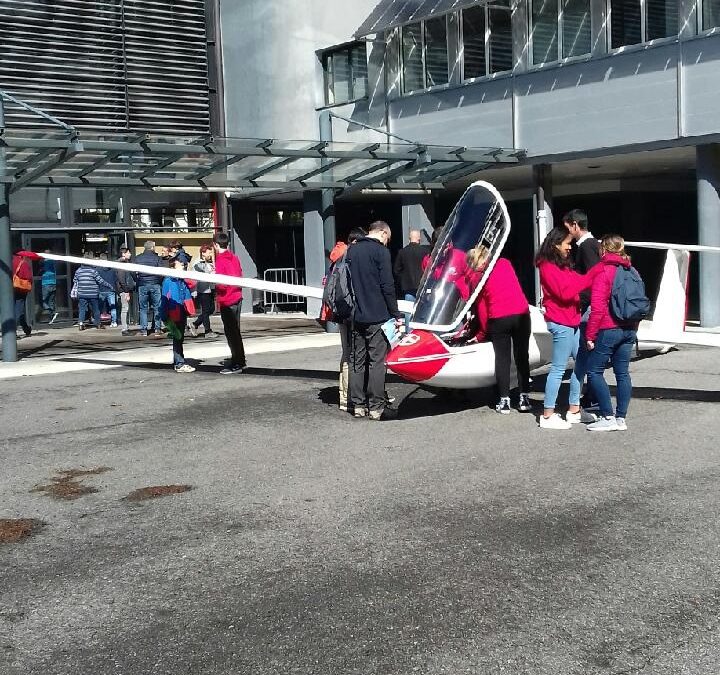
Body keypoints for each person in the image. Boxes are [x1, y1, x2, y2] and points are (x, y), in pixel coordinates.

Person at [536, 227, 600, 430]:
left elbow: (577, 281)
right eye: (567, 244)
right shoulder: (546, 266)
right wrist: (593, 274)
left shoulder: (562, 265)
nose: (570, 247)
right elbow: (565, 292)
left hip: (572, 319)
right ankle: (547, 414)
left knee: (580, 363)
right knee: (558, 368)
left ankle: (574, 410)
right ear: (555, 244)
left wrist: (594, 272)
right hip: (561, 322)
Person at [345, 220, 403, 420]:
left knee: (357, 360)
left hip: (356, 314)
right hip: (377, 314)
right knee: (377, 362)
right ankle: (376, 407)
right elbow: (388, 286)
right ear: (383, 233)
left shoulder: (352, 251)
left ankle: (358, 405)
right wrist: (395, 313)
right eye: (388, 238)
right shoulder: (381, 252)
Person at [465, 246, 532, 414]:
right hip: (521, 313)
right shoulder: (504, 263)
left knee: (502, 360)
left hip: (499, 318)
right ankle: (524, 398)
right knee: (522, 356)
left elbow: (482, 310)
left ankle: (504, 401)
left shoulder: (478, 278)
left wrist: (480, 335)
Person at [585, 235, 640, 432]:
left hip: (609, 328)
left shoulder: (604, 272)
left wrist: (590, 336)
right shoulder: (632, 270)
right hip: (629, 328)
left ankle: (607, 415)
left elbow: (597, 308)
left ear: (604, 250)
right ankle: (620, 418)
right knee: (622, 373)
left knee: (594, 371)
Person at [564, 209, 602, 409]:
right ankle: (592, 394)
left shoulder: (586, 247)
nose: (568, 234)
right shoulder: (594, 245)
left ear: (575, 225)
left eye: (568, 228)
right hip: (594, 306)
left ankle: (592, 396)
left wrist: (580, 302)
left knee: (585, 353)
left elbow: (593, 279)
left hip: (589, 308)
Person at [328, 228, 366, 411]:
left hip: (340, 312)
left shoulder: (337, 258)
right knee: (356, 354)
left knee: (346, 353)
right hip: (353, 312)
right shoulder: (352, 258)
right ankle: (354, 396)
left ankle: (344, 397)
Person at [213, 232, 247, 374]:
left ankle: (237, 362)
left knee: (231, 333)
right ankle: (240, 359)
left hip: (227, 300)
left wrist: (213, 279)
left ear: (215, 245)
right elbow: (240, 274)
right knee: (236, 331)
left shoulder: (220, 260)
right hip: (237, 297)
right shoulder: (234, 257)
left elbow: (221, 285)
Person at [160, 253, 196, 373]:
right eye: (181, 264)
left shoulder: (181, 280)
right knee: (178, 338)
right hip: (173, 313)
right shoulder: (169, 280)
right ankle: (179, 363)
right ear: (174, 264)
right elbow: (164, 298)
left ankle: (178, 361)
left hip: (181, 312)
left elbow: (192, 283)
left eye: (184, 264)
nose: (183, 266)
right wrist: (164, 316)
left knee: (179, 338)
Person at [73, 252, 114, 331]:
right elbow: (100, 281)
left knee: (82, 309)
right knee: (96, 309)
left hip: (82, 293)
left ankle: (81, 324)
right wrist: (109, 285)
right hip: (93, 293)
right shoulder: (93, 271)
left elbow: (75, 280)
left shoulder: (78, 271)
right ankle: (98, 324)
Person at [135, 241, 164, 336]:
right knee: (157, 307)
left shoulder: (138, 258)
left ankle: (143, 329)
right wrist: (158, 280)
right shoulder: (157, 258)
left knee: (143, 308)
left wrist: (138, 279)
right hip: (155, 284)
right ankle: (157, 329)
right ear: (152, 247)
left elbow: (132, 271)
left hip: (142, 284)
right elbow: (161, 272)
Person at [393, 229, 429, 306]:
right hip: (422, 285)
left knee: (409, 311)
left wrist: (403, 279)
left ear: (409, 238)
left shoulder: (402, 252)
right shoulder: (425, 251)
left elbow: (396, 270)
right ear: (419, 239)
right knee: (422, 310)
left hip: (408, 286)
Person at [190, 244, 217, 338]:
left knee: (211, 309)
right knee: (205, 310)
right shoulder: (198, 263)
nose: (211, 254)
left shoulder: (207, 262)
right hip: (202, 289)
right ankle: (207, 331)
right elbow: (208, 271)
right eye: (209, 252)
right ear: (203, 253)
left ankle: (195, 324)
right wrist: (212, 261)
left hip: (209, 289)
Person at [11, 251, 33, 338]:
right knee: (19, 309)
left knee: (16, 309)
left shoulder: (8, 262)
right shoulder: (23, 264)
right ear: (21, 255)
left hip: (9, 289)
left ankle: (26, 328)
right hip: (21, 289)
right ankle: (12, 331)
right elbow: (28, 277)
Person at [116, 246, 136, 336]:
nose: (130, 254)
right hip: (124, 290)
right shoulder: (121, 264)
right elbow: (122, 279)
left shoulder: (124, 263)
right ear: (123, 254)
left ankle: (125, 327)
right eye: (128, 252)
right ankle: (124, 329)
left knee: (125, 308)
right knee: (125, 309)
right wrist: (126, 291)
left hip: (125, 289)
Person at [97, 252, 118, 328]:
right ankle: (114, 322)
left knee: (99, 307)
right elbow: (116, 279)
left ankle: (98, 322)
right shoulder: (112, 269)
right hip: (111, 290)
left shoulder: (98, 269)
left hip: (101, 290)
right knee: (113, 306)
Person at [40, 250, 58, 324]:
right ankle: (52, 318)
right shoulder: (53, 260)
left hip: (46, 282)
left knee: (43, 300)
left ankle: (51, 312)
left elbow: (41, 269)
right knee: (51, 301)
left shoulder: (43, 261)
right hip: (53, 282)